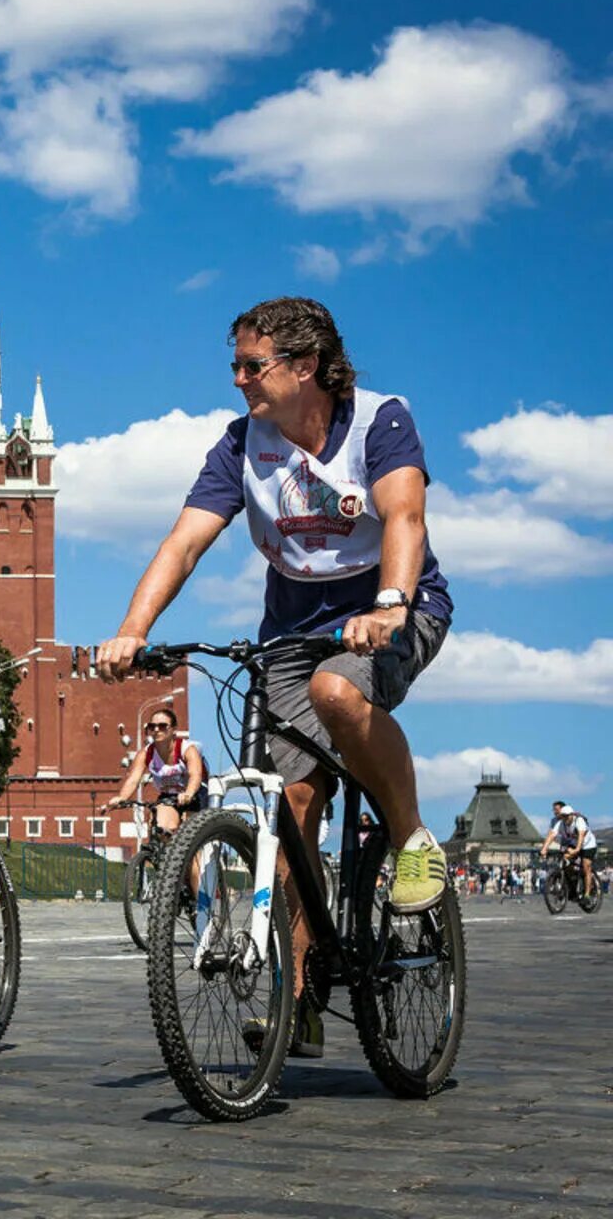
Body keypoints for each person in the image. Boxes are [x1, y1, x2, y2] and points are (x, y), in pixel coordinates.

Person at [96, 296, 455, 1062]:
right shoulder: (241, 444)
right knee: (289, 809)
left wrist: (389, 604)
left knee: (338, 690)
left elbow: (405, 518)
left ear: (307, 367)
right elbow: (184, 542)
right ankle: (301, 996)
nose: (238, 381)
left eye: (251, 366)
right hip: (291, 630)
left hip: (395, 605)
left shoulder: (379, 420)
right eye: (235, 365)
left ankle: (412, 838)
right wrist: (134, 629)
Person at [100, 708, 203, 839]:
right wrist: (122, 797)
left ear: (173, 729)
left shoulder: (187, 749)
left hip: (194, 794)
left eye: (162, 726)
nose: (156, 730)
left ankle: (193, 858)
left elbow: (195, 775)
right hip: (169, 796)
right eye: (152, 726)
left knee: (190, 839)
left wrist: (188, 793)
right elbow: (133, 779)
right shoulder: (146, 753)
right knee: (160, 830)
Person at [541, 801, 598, 900]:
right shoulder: (560, 823)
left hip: (588, 845)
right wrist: (544, 849)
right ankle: (572, 885)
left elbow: (581, 836)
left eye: (567, 816)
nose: (565, 818)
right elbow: (551, 836)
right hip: (574, 844)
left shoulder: (579, 821)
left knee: (586, 866)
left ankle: (588, 894)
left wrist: (577, 849)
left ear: (572, 815)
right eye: (563, 816)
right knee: (565, 862)